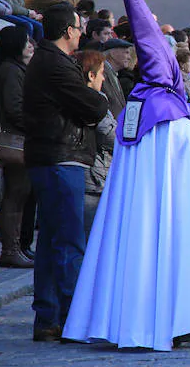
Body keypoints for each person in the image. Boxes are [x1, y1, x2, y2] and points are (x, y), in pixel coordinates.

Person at [62, 0, 190, 351]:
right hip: (166, 205)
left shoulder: (136, 104)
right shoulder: (170, 110)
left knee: (132, 252)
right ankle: (167, 320)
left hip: (133, 205)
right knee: (161, 256)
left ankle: (126, 320)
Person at [23, 3, 108, 341]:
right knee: (69, 241)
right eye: (77, 26)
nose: (81, 31)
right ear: (67, 31)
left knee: (51, 242)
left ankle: (49, 319)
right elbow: (93, 106)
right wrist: (95, 95)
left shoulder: (52, 61)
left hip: (56, 156)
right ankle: (73, 318)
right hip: (61, 158)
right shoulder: (56, 64)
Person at [0, 27, 35, 268]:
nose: (30, 44)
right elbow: (14, 107)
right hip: (17, 141)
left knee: (20, 196)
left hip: (22, 138)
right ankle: (10, 250)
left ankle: (17, 247)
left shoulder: (15, 68)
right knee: (15, 195)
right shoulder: (10, 70)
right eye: (25, 41)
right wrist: (35, 126)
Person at [74, 50, 117, 239]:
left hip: (88, 175)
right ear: (91, 75)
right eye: (101, 73)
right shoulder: (93, 100)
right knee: (90, 240)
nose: (104, 78)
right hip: (92, 177)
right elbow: (110, 135)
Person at [101, 38, 131, 112]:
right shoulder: (102, 74)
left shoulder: (112, 73)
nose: (129, 57)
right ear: (113, 54)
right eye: (126, 53)